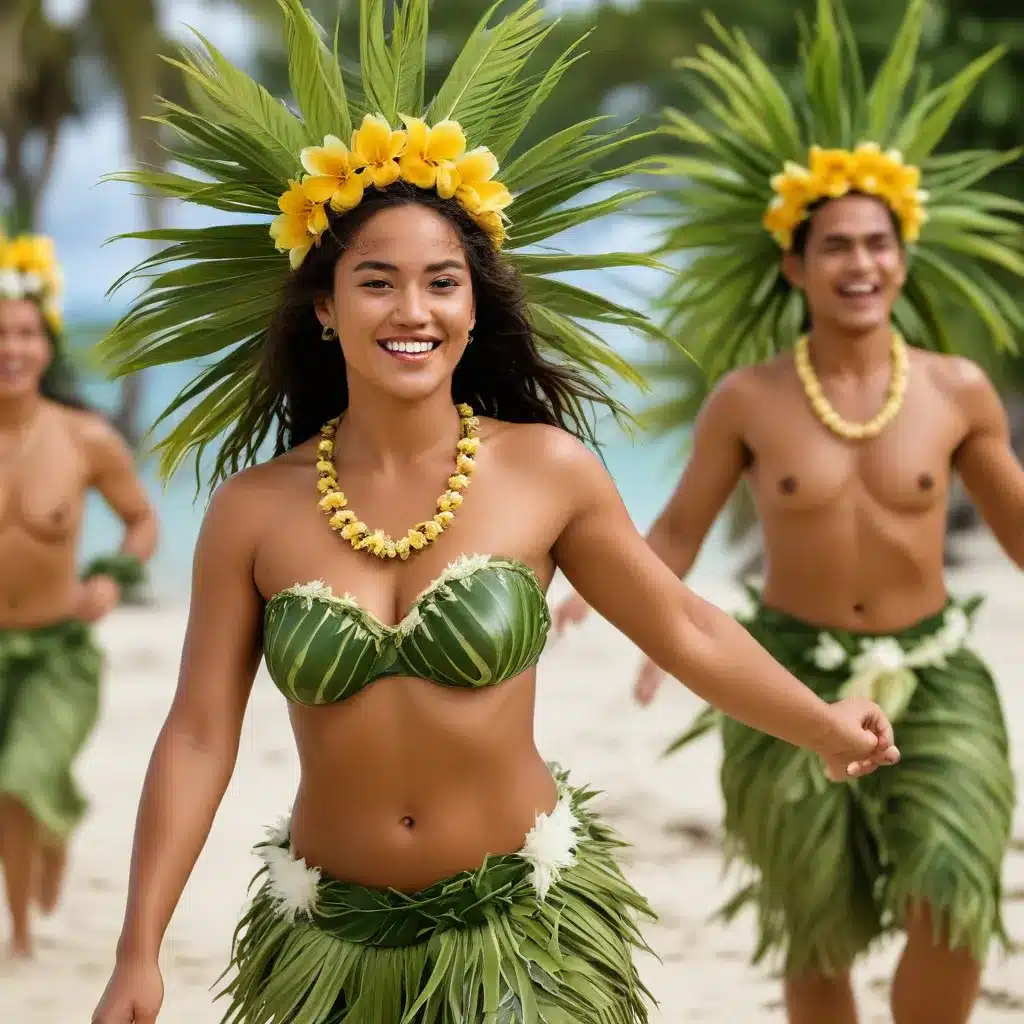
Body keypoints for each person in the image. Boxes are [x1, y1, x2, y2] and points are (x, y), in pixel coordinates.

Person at [89, 3, 898, 1022]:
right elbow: (200, 734)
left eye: (441, 282)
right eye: (376, 282)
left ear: (476, 306)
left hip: (523, 936)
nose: (412, 310)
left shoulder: (546, 473)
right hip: (331, 942)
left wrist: (819, 725)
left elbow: (683, 623)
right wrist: (137, 948)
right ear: (326, 306)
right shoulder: (253, 512)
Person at [554, 2, 1022, 1023]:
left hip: (936, 673)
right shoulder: (749, 399)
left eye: (876, 244)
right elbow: (677, 527)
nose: (859, 264)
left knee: (951, 895)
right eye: (835, 247)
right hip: (780, 668)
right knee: (813, 926)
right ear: (793, 266)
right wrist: (621, 603)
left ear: (901, 259)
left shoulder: (955, 391)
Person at [0, 229, 158, 959]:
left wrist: (110, 579)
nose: (12, 348)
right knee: (13, 791)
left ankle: (25, 933)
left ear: (47, 342)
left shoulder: (85, 437)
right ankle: (30, 904)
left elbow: (142, 521)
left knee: (22, 778)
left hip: (58, 650)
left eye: (26, 333)